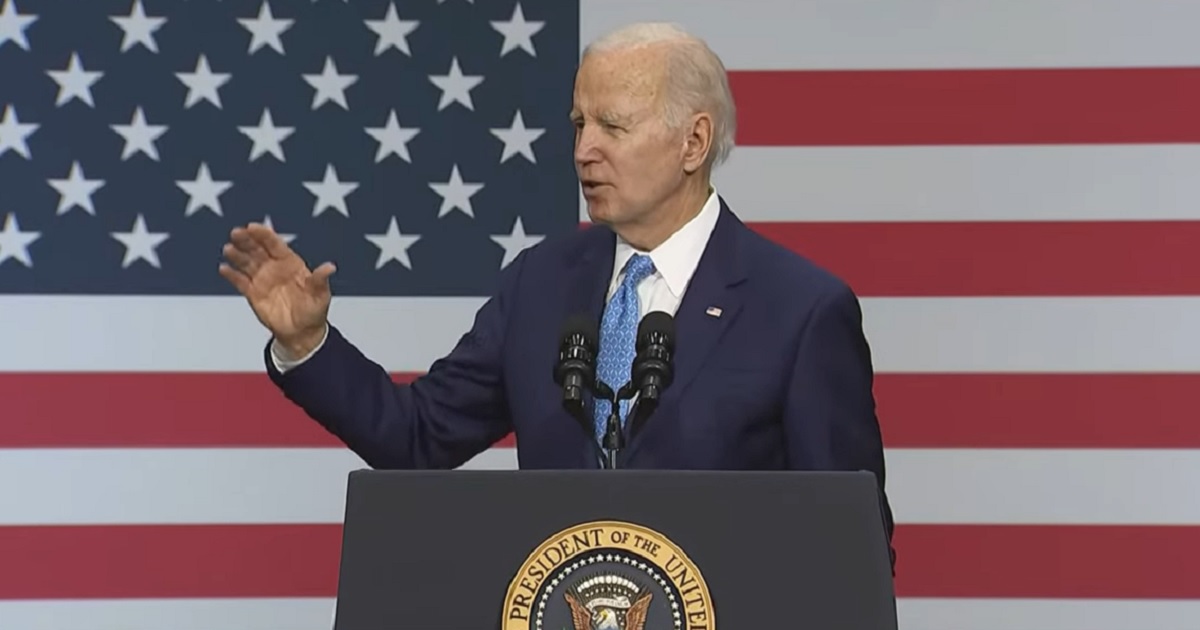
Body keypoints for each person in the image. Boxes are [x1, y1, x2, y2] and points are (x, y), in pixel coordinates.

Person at [219, 22, 894, 561]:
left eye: (613, 126)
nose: (582, 151)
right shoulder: (541, 283)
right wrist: (307, 342)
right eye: (578, 124)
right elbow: (417, 439)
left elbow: (848, 547)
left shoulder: (800, 310)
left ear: (693, 142)